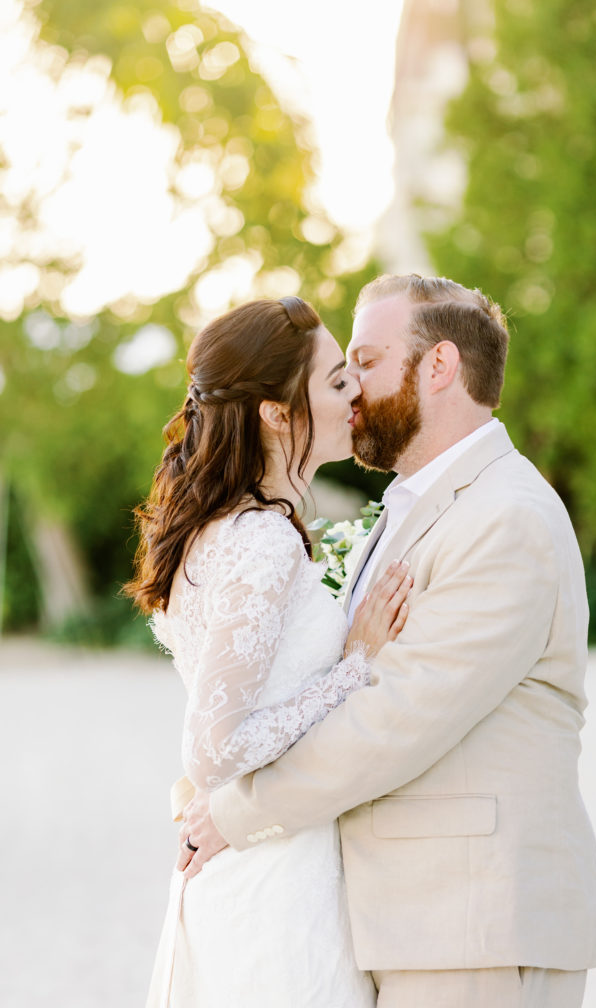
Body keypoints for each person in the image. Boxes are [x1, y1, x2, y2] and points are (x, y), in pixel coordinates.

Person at [183, 274, 596, 1008]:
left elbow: (399, 717)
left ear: (438, 366)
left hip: (474, 926)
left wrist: (236, 813)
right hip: (405, 923)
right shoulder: (410, 509)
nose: (351, 390)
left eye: (367, 361)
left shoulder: (504, 517)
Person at [127, 296, 414, 1007]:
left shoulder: (227, 528)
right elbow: (213, 751)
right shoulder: (260, 540)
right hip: (274, 879)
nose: (354, 391)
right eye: (333, 380)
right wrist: (353, 667)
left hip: (268, 853)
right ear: (276, 412)